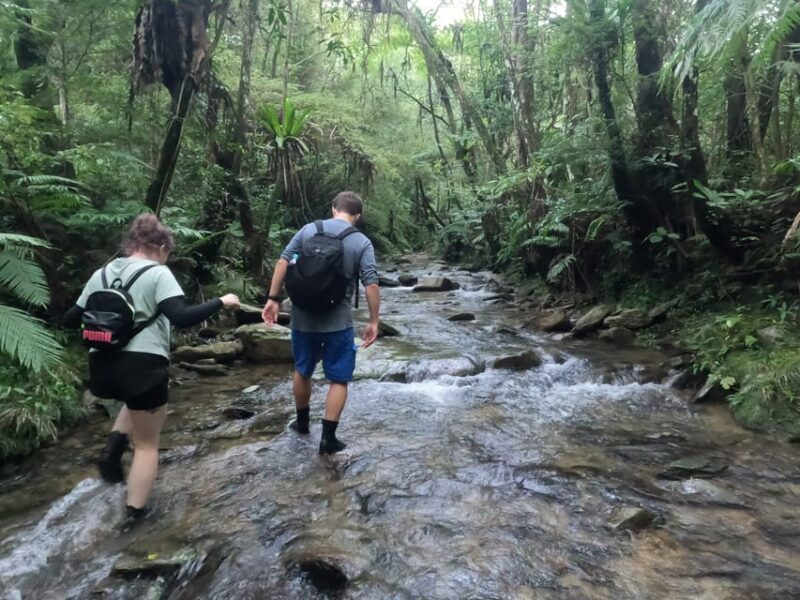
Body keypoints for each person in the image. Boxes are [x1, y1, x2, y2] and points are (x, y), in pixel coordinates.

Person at [64, 214, 240, 525]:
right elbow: (181, 317)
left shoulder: (101, 273)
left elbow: (69, 318)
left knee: (133, 402)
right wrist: (221, 302)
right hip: (143, 366)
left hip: (102, 366)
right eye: (168, 252)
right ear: (160, 247)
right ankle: (134, 516)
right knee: (146, 445)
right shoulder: (158, 273)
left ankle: (114, 446)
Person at [262, 191, 380, 454]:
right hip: (338, 321)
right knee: (339, 379)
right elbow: (370, 282)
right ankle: (328, 439)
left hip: (302, 315)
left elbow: (283, 260)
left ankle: (302, 424)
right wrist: (374, 320)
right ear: (357, 216)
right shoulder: (360, 241)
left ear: (333, 208)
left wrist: (273, 298)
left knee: (302, 370)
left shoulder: (308, 230)